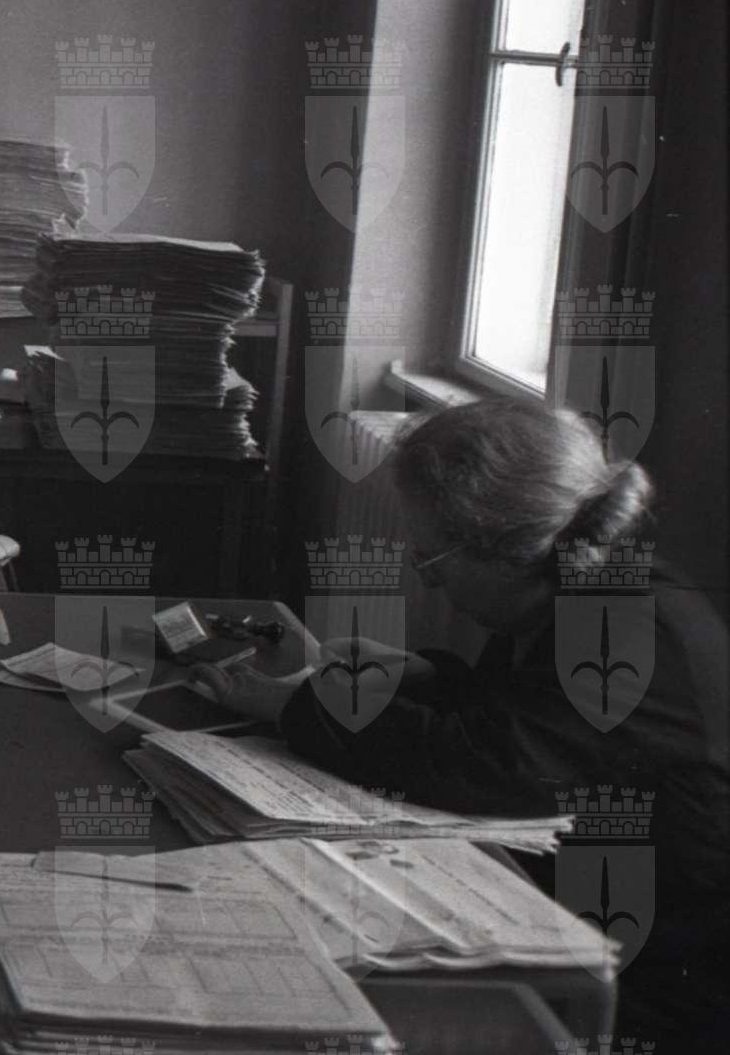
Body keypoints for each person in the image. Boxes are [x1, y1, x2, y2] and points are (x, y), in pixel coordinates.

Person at [193, 400, 728, 1045]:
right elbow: (537, 718)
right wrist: (429, 675)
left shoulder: (622, 635)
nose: (431, 585)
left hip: (665, 977)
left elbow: (489, 763)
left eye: (433, 563)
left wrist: (294, 705)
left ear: (507, 549)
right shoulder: (583, 583)